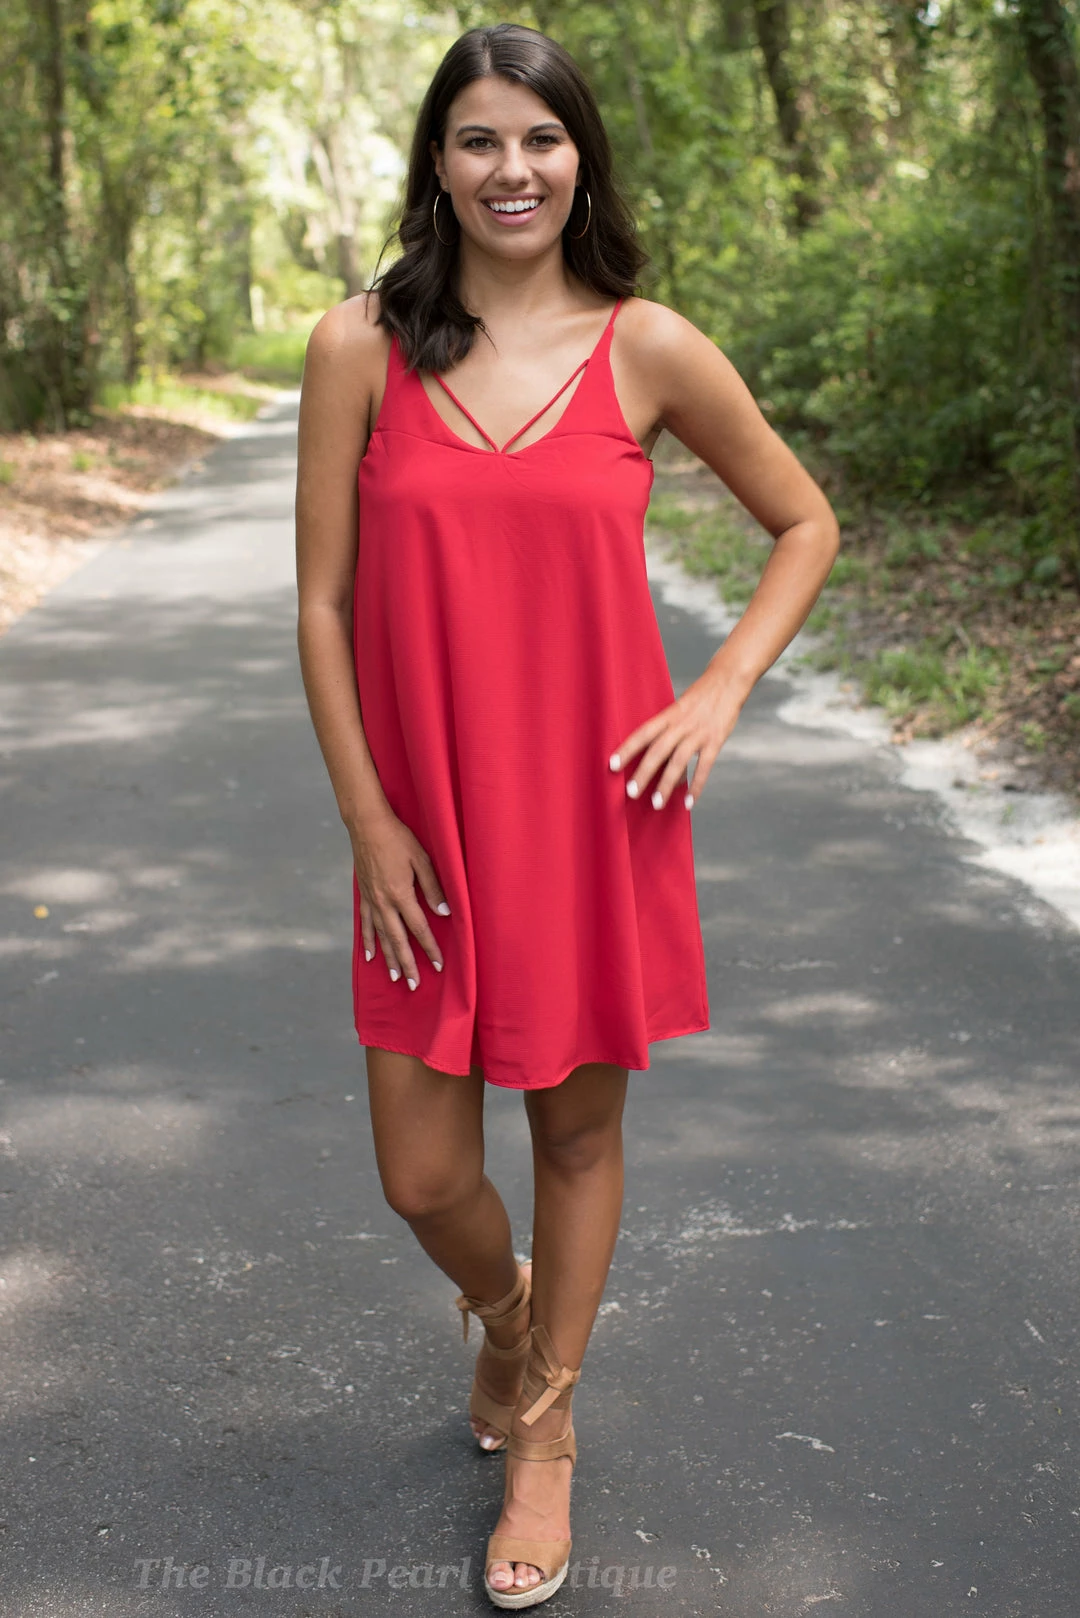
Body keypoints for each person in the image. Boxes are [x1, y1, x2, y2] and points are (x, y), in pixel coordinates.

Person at [295, 21, 839, 1609]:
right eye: (477, 139)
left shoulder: (650, 346)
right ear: (437, 163)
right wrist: (367, 820)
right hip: (421, 823)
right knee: (422, 1174)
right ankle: (518, 1311)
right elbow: (324, 605)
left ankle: (542, 1422)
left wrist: (719, 688)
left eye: (538, 138)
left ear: (579, 154)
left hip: (596, 809)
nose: (510, 169)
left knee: (578, 1125)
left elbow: (803, 520)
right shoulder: (357, 348)